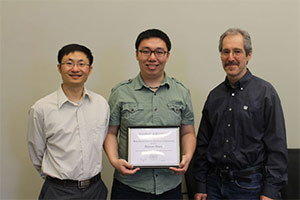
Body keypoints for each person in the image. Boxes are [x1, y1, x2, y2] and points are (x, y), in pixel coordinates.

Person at [193, 28, 288, 200]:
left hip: (250, 186)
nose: (231, 58)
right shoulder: (214, 96)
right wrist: (200, 185)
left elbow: (277, 146)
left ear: (249, 55)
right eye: (225, 52)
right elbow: (203, 146)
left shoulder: (265, 93)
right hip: (213, 185)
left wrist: (270, 191)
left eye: (237, 51)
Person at [104, 28, 196, 199]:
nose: (152, 58)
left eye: (159, 52)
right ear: (137, 54)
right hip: (129, 186)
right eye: (146, 51)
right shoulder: (120, 92)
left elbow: (188, 132)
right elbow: (110, 133)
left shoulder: (181, 92)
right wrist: (114, 161)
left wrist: (187, 156)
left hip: (169, 185)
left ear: (167, 55)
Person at [27, 44, 109, 199]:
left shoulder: (101, 104)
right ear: (59, 68)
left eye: (81, 64)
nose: (75, 69)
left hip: (95, 190)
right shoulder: (41, 109)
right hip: (58, 191)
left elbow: (102, 141)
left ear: (90, 69)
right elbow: (37, 153)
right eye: (69, 63)